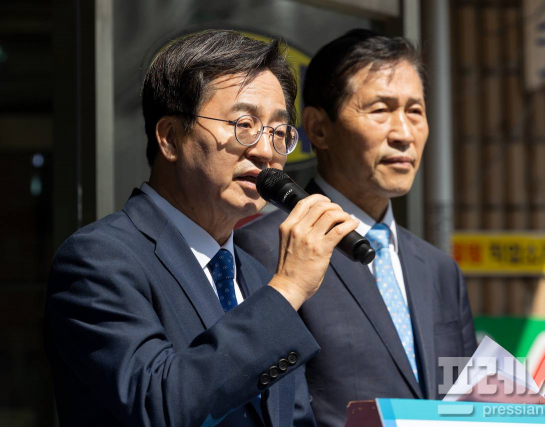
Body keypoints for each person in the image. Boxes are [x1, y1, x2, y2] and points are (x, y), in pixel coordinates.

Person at [43, 30, 359, 427]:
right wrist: (289, 289)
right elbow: (159, 406)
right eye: (244, 124)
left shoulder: (256, 274)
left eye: (279, 132)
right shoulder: (98, 260)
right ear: (170, 138)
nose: (265, 151)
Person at [235, 29, 477, 427]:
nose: (404, 134)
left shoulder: (439, 270)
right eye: (380, 110)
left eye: (415, 111)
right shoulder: (262, 248)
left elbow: (467, 404)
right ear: (318, 128)